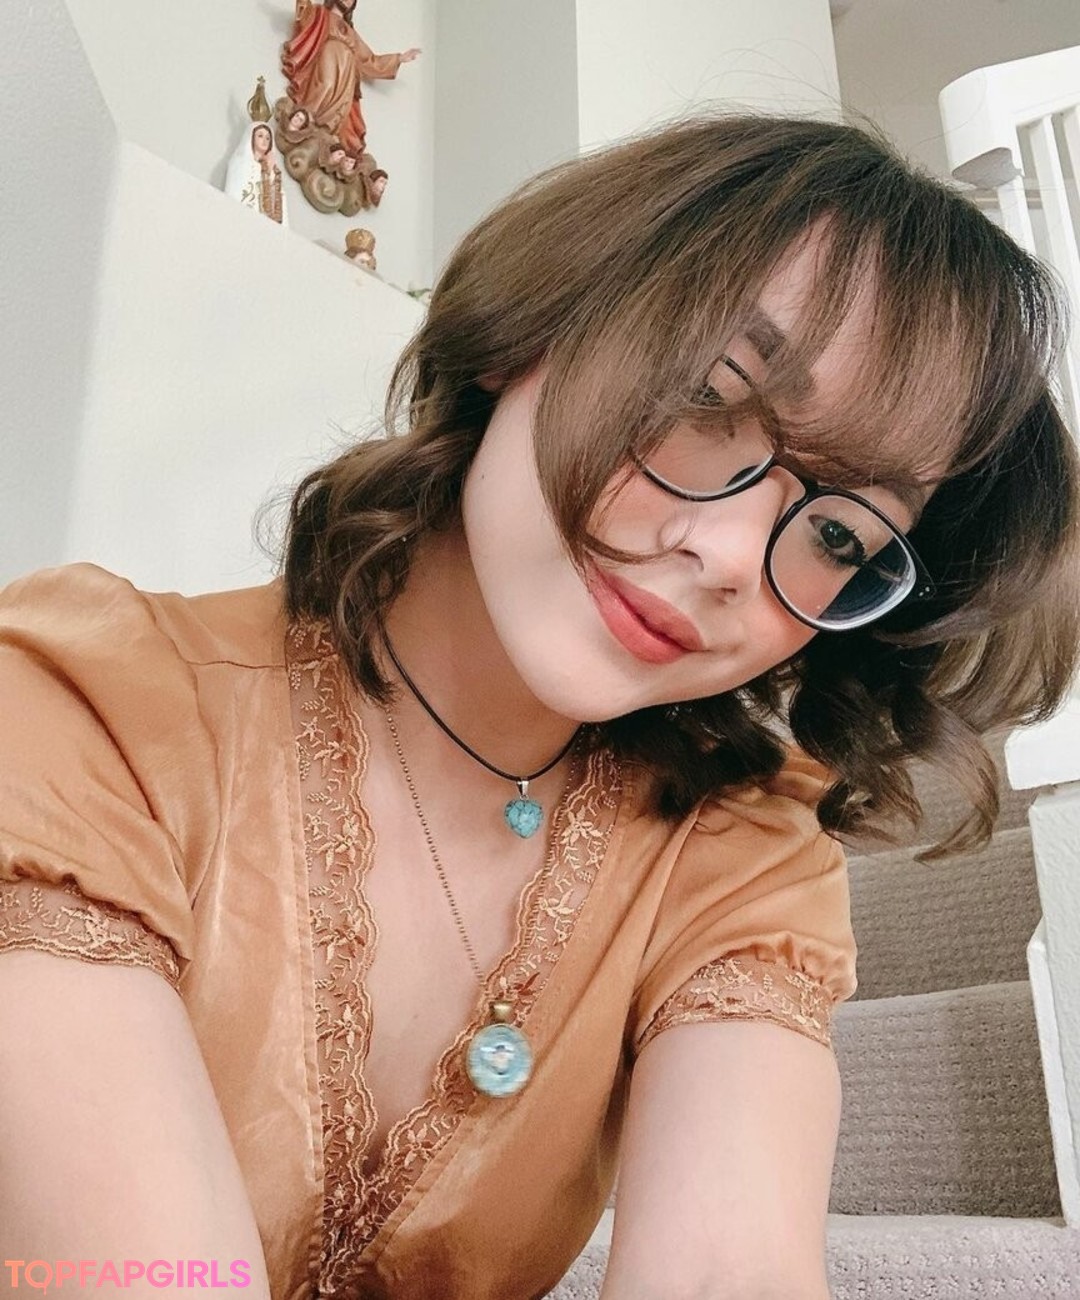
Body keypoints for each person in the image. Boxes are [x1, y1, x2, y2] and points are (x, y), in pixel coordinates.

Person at [1, 114, 1078, 1300]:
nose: (729, 553)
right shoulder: (91, 705)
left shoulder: (736, 853)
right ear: (537, 325)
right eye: (705, 399)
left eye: (839, 535)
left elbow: (729, 1272)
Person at [282, 0, 420, 156]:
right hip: (329, 55)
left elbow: (369, 60)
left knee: (342, 107)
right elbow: (305, 15)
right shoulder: (321, 13)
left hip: (347, 72)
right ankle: (307, 120)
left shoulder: (351, 33)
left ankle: (326, 133)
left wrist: (399, 58)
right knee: (326, 85)